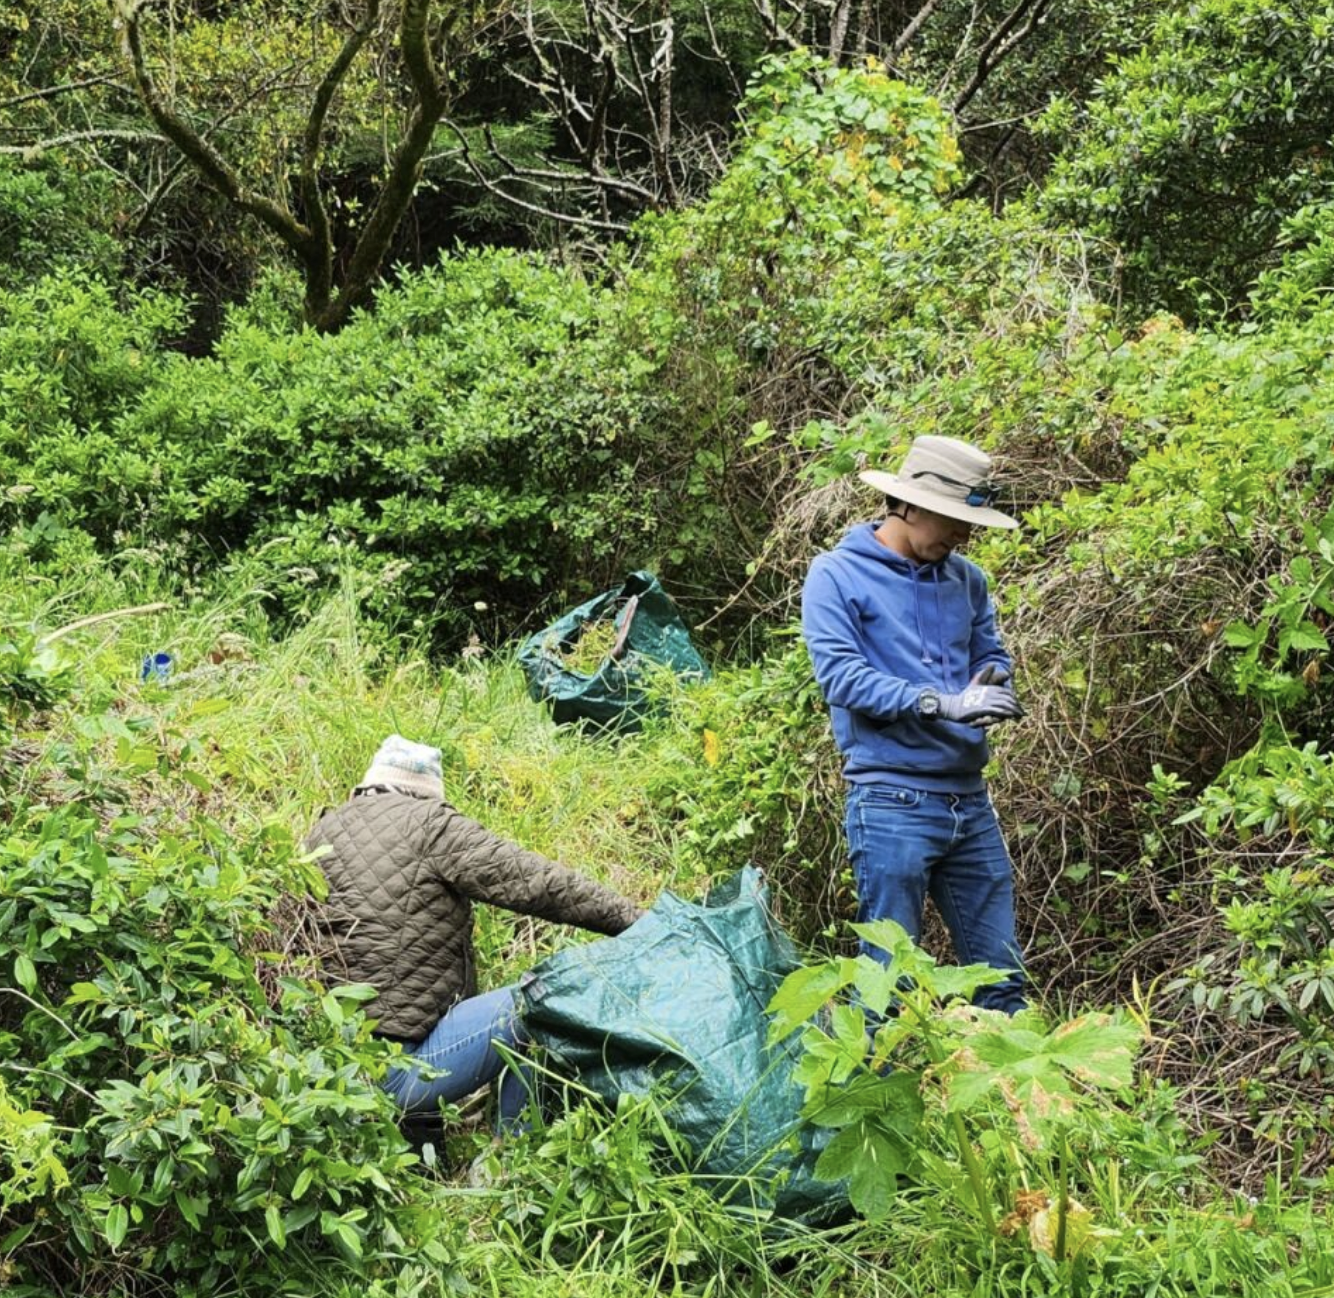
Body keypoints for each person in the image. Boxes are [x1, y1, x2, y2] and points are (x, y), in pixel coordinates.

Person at [306, 734, 643, 1124]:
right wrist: (637, 922)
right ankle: (507, 1164)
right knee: (540, 1005)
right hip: (399, 1073)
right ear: (427, 793)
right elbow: (538, 884)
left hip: (334, 1068)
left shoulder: (322, 832)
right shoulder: (430, 825)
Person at [801, 434, 1027, 1013]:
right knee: (888, 981)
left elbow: (989, 653)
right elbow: (843, 680)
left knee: (1000, 976)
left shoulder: (968, 581)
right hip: (890, 800)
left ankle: (1007, 1097)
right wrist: (943, 703)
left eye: (968, 524)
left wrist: (990, 684)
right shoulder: (836, 576)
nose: (962, 535)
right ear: (907, 505)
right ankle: (877, 1095)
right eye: (952, 520)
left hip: (969, 803)